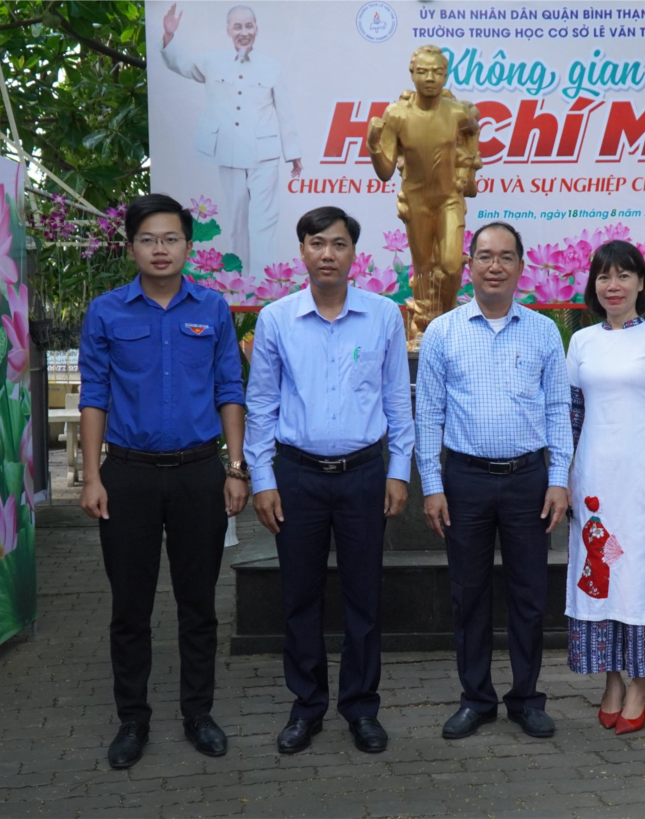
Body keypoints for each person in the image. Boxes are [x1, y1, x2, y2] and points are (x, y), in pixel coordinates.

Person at [78, 193, 248, 769]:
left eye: (171, 239)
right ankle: (133, 720)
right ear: (131, 246)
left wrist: (235, 467)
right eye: (148, 239)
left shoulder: (214, 308)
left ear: (187, 247)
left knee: (198, 603)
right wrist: (92, 475)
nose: (160, 249)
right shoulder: (107, 312)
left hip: (201, 474)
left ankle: (198, 714)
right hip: (127, 477)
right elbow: (94, 393)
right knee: (130, 607)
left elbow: (230, 389)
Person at [244, 206, 413, 755]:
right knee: (300, 597)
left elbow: (396, 400)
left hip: (365, 474)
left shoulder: (384, 315)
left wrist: (397, 471)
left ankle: (361, 708)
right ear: (302, 252)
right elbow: (262, 405)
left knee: (365, 596)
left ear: (353, 254)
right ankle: (306, 706)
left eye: (339, 244)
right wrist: (263, 479)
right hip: (297, 476)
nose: (327, 254)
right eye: (317, 244)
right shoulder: (276, 319)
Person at [415, 221, 572, 740]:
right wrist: (432, 485)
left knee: (529, 594)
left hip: (529, 479)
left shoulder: (544, 331)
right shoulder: (443, 331)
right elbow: (428, 416)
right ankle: (476, 698)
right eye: (485, 256)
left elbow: (557, 411)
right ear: (470, 266)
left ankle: (525, 698)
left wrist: (558, 479)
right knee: (469, 593)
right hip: (465, 481)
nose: (495, 266)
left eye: (506, 257)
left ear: (521, 267)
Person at [564, 241, 645, 736]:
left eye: (623, 276)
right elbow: (570, 416)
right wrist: (563, 479)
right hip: (595, 484)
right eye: (603, 277)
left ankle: (641, 682)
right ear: (594, 285)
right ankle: (612, 679)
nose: (612, 285)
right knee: (602, 577)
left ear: (641, 283)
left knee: (643, 581)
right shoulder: (581, 342)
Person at [160, 4, 302, 275]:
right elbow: (180, 64)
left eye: (249, 26)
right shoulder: (213, 61)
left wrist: (293, 152)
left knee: (264, 220)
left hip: (265, 155)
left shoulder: (271, 67)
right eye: (238, 26)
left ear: (257, 30)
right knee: (237, 221)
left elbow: (285, 111)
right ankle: (239, 279)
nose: (244, 32)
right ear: (228, 30)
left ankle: (264, 282)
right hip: (229, 153)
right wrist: (169, 36)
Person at [367, 45, 481, 348]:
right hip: (417, 201)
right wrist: (373, 145)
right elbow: (385, 170)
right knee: (424, 269)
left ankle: (448, 319)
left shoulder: (456, 113)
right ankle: (425, 328)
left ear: (445, 74)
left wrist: (466, 171)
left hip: (449, 199)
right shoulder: (397, 114)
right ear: (412, 73)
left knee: (451, 264)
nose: (430, 78)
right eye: (423, 71)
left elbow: (472, 138)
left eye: (438, 72)